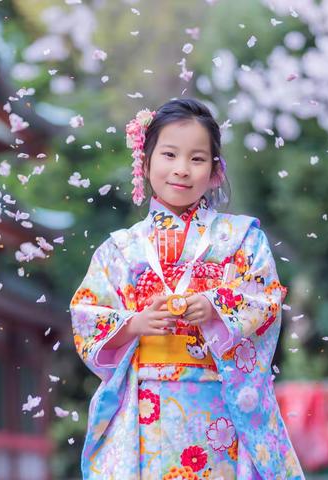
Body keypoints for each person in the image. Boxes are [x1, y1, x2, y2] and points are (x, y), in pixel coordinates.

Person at [70, 98, 305, 479]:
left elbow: (266, 295)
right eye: (169, 155)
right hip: (145, 408)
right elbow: (86, 313)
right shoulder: (120, 249)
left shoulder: (240, 238)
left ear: (215, 172)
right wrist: (134, 324)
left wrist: (217, 306)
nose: (181, 169)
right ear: (144, 163)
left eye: (197, 159)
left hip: (217, 404)